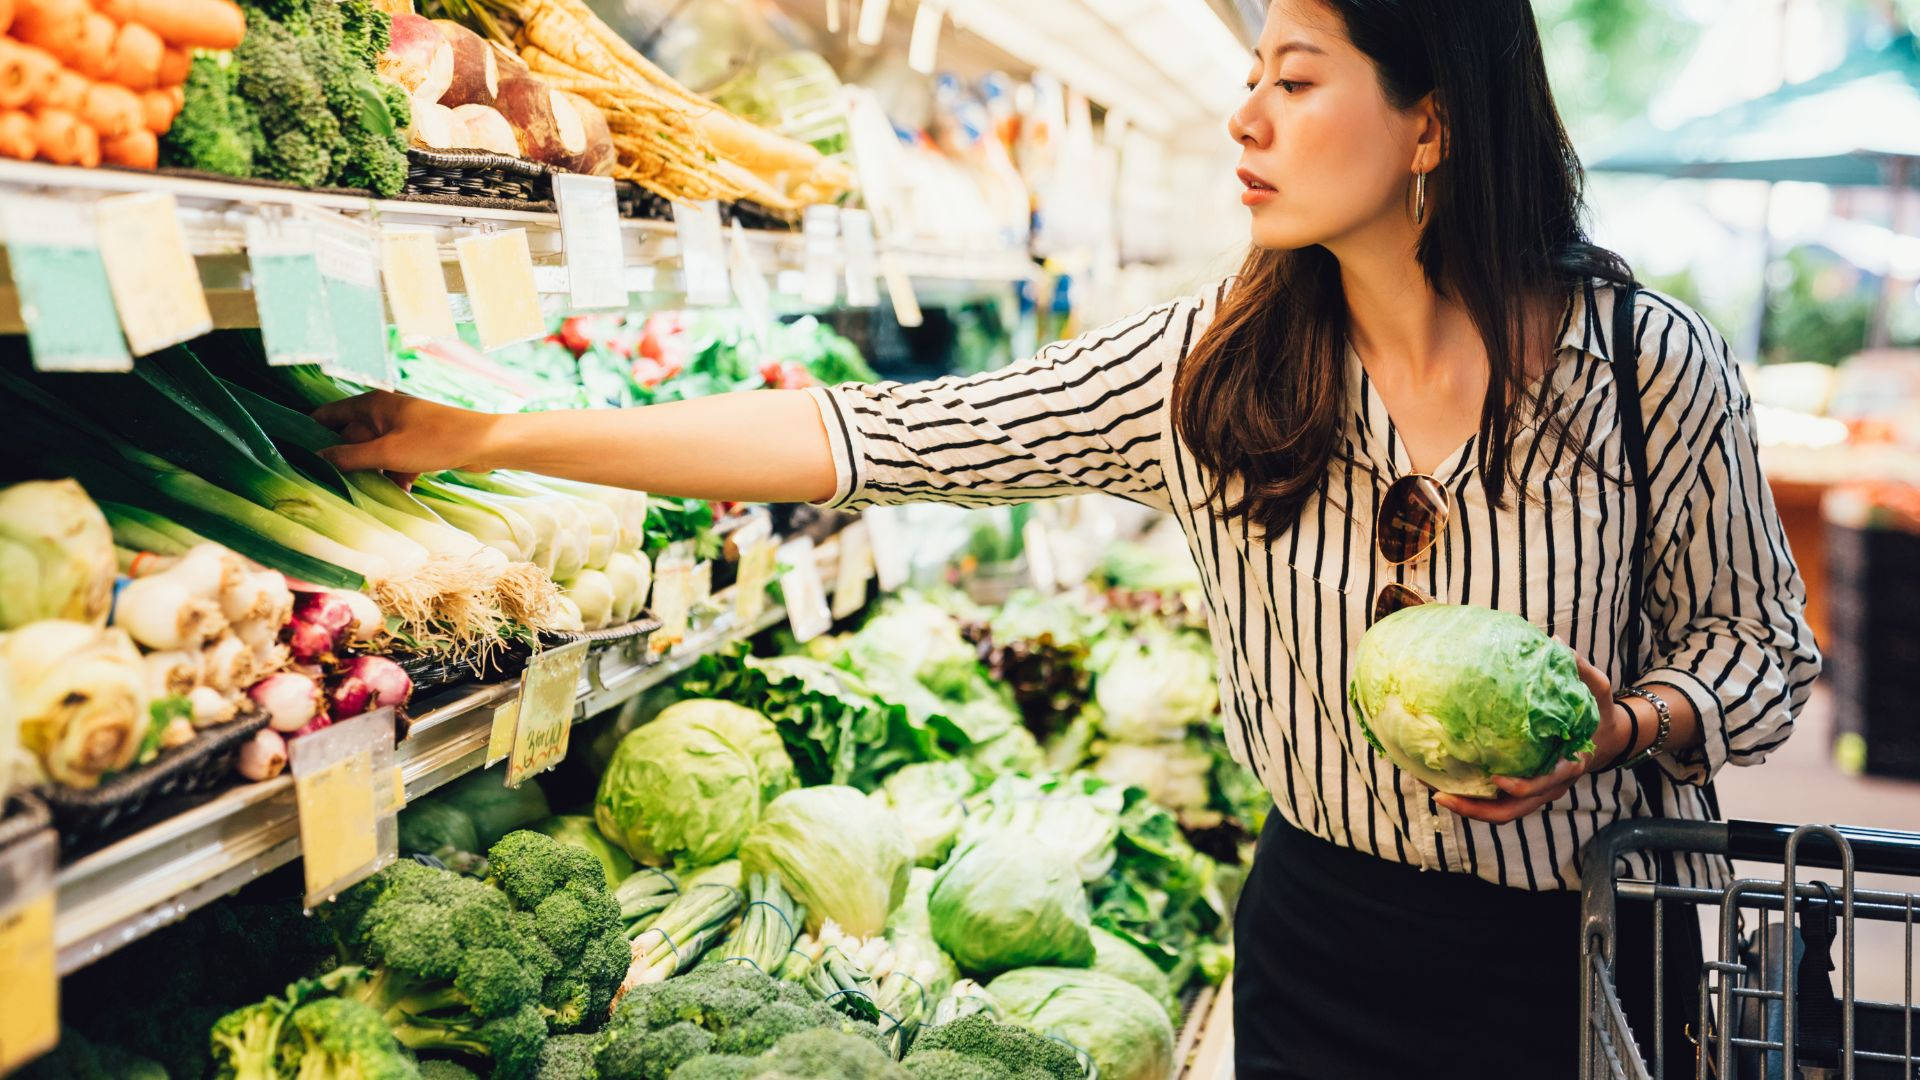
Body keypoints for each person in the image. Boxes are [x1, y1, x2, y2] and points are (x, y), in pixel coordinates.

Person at [314, 1, 1822, 1075]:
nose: (1246, 118)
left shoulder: (1641, 368)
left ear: (1430, 119)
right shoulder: (1209, 378)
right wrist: (486, 438)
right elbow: (869, 439)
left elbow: (1760, 652)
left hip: (1588, 961)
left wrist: (1623, 718)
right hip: (1328, 943)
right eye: (1249, 76)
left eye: (1297, 79)